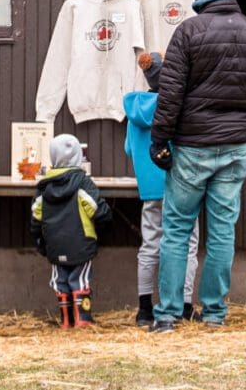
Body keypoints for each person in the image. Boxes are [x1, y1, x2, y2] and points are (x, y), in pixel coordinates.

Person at [147, 0, 246, 331]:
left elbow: (170, 94)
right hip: (236, 146)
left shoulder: (188, 32)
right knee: (222, 232)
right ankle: (215, 314)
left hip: (191, 146)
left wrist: (159, 141)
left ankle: (169, 314)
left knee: (176, 230)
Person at [125, 51, 201, 326]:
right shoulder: (175, 105)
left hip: (149, 188)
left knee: (150, 244)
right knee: (188, 242)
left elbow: (128, 148)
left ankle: (144, 307)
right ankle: (184, 304)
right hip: (178, 183)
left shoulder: (134, 109)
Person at [30, 134, 112, 328]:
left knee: (60, 279)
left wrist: (41, 241)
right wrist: (102, 230)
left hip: (54, 243)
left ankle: (66, 320)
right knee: (80, 279)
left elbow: (35, 218)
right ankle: (83, 319)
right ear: (78, 156)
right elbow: (98, 211)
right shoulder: (83, 183)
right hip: (81, 241)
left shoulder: (44, 187)